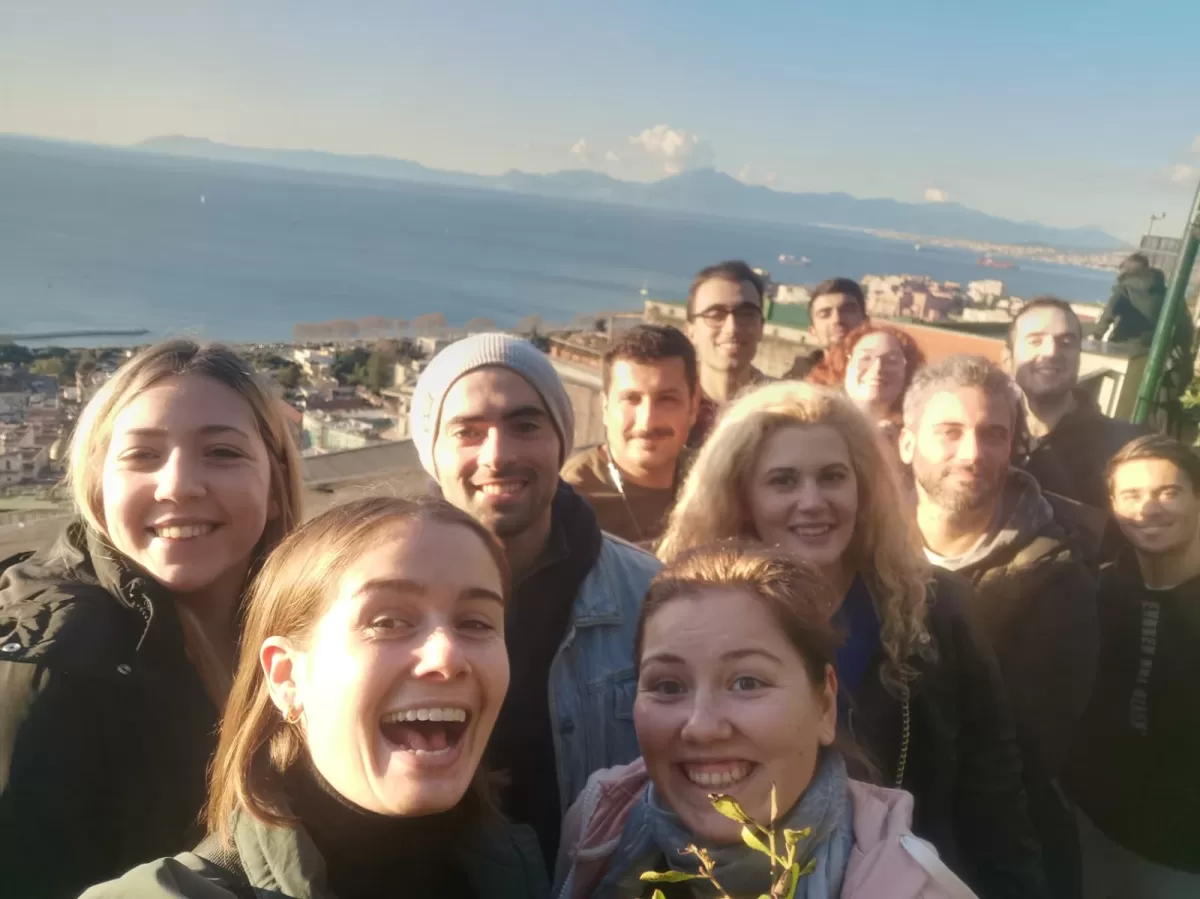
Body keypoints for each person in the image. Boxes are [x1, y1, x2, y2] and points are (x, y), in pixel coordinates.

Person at [657, 380, 1047, 899]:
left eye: (832, 477)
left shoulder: (937, 608)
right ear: (743, 497)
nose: (812, 502)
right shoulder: (689, 611)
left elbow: (993, 790)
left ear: (863, 488)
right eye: (783, 481)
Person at [84, 496, 549, 899]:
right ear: (287, 676)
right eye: (388, 622)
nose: (447, 656)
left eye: (476, 622)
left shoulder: (529, 868)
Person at [0, 339, 303, 899]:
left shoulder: (315, 637)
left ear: (277, 485)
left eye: (223, 453)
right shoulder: (46, 672)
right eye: (141, 455)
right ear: (97, 486)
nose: (179, 484)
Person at [556, 544, 979, 899]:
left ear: (824, 704)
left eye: (746, 682)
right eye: (668, 686)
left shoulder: (916, 890)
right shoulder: (597, 828)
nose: (701, 726)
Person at [409, 332, 661, 867]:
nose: (498, 455)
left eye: (525, 426)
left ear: (561, 441)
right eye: (468, 432)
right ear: (432, 451)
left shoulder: (650, 597)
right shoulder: (370, 602)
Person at [899, 354, 1098, 898]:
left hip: (968, 852)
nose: (973, 453)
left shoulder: (1056, 579)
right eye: (950, 432)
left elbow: (1023, 757)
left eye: (993, 434)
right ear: (906, 443)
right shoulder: (861, 551)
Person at [1065, 435, 1200, 898]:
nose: (1149, 508)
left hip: (1184, 860)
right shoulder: (1097, 589)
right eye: (1132, 495)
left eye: (1168, 492)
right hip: (1091, 830)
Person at [562, 324, 699, 545]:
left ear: (693, 406)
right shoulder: (570, 500)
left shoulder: (712, 483)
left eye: (666, 399)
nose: (647, 421)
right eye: (631, 399)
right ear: (605, 407)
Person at [1006, 296, 1146, 512]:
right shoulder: (984, 439)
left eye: (1066, 342)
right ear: (1007, 358)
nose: (1051, 352)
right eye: (1035, 341)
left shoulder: (1124, 448)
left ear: (1079, 357)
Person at [684, 260, 772, 446]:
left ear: (761, 327)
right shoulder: (668, 405)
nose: (732, 328)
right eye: (715, 315)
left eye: (746, 314)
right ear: (691, 331)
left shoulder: (781, 409)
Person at [808, 322, 925, 448]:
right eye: (866, 358)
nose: (878, 367)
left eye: (892, 360)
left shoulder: (918, 439)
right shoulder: (810, 422)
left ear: (907, 373)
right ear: (845, 365)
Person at [787, 278, 868, 379]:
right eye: (825, 314)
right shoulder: (792, 385)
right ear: (813, 331)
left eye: (848, 310)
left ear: (866, 321)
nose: (837, 319)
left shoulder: (888, 381)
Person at [1095, 253, 1167, 345]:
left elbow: (1110, 311)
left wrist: (1097, 334)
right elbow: (1182, 323)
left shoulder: (1124, 288)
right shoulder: (1163, 291)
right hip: (1152, 345)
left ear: (1125, 271)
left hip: (1123, 341)